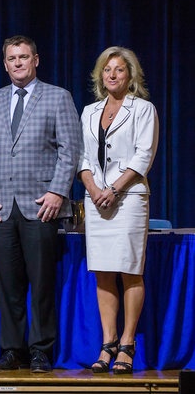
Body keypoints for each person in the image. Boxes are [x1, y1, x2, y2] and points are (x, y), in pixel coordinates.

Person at [0, 35, 81, 373]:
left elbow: (70, 150)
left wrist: (57, 192)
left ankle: (40, 350)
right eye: (11, 58)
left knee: (42, 282)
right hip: (0, 207)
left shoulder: (58, 97)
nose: (18, 63)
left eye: (23, 57)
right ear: (4, 64)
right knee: (8, 284)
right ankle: (11, 350)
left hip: (41, 205)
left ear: (36, 60)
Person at [78, 47, 158, 374]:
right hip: (96, 200)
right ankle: (108, 343)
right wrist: (95, 190)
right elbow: (81, 157)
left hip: (129, 198)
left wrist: (114, 189)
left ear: (131, 76)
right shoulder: (88, 111)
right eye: (107, 70)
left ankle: (128, 343)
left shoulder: (143, 109)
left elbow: (143, 156)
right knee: (103, 270)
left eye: (119, 70)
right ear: (101, 75)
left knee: (129, 269)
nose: (112, 75)